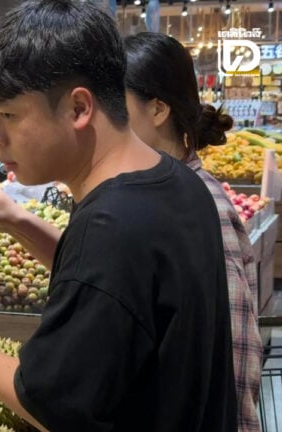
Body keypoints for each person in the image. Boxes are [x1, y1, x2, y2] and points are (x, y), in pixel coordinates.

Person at [0, 1, 237, 431]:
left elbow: (48, 405)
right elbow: (117, 290)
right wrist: (19, 221)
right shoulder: (179, 181)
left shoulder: (110, 226)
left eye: (9, 115)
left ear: (78, 109)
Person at [124, 32, 263, 432]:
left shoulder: (199, 206)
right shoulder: (153, 193)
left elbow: (236, 351)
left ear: (157, 109)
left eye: (116, 105)